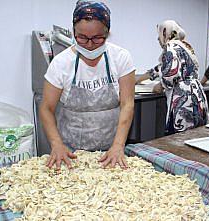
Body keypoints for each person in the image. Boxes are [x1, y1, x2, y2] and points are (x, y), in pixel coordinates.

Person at [39, 0, 136, 170]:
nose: (90, 45)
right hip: (71, 152)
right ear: (73, 32)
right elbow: (46, 108)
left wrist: (118, 146)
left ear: (107, 33)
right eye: (82, 38)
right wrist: (56, 145)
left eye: (98, 38)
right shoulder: (61, 63)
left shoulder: (120, 58)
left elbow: (127, 104)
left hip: (111, 150)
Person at [141, 20, 209, 135]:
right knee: (196, 133)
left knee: (181, 134)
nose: (158, 40)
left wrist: (161, 85)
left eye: (159, 36)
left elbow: (170, 74)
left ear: (165, 34)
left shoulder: (170, 46)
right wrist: (137, 79)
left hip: (183, 95)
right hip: (196, 93)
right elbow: (161, 68)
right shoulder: (184, 46)